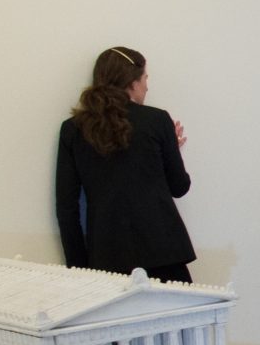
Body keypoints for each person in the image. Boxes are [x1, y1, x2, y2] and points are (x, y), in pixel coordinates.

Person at [55, 45, 196, 282]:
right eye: (145, 78)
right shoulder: (156, 120)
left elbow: (67, 208)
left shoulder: (73, 130)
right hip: (164, 252)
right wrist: (169, 147)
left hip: (106, 258)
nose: (147, 86)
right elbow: (179, 186)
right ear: (133, 82)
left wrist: (78, 269)